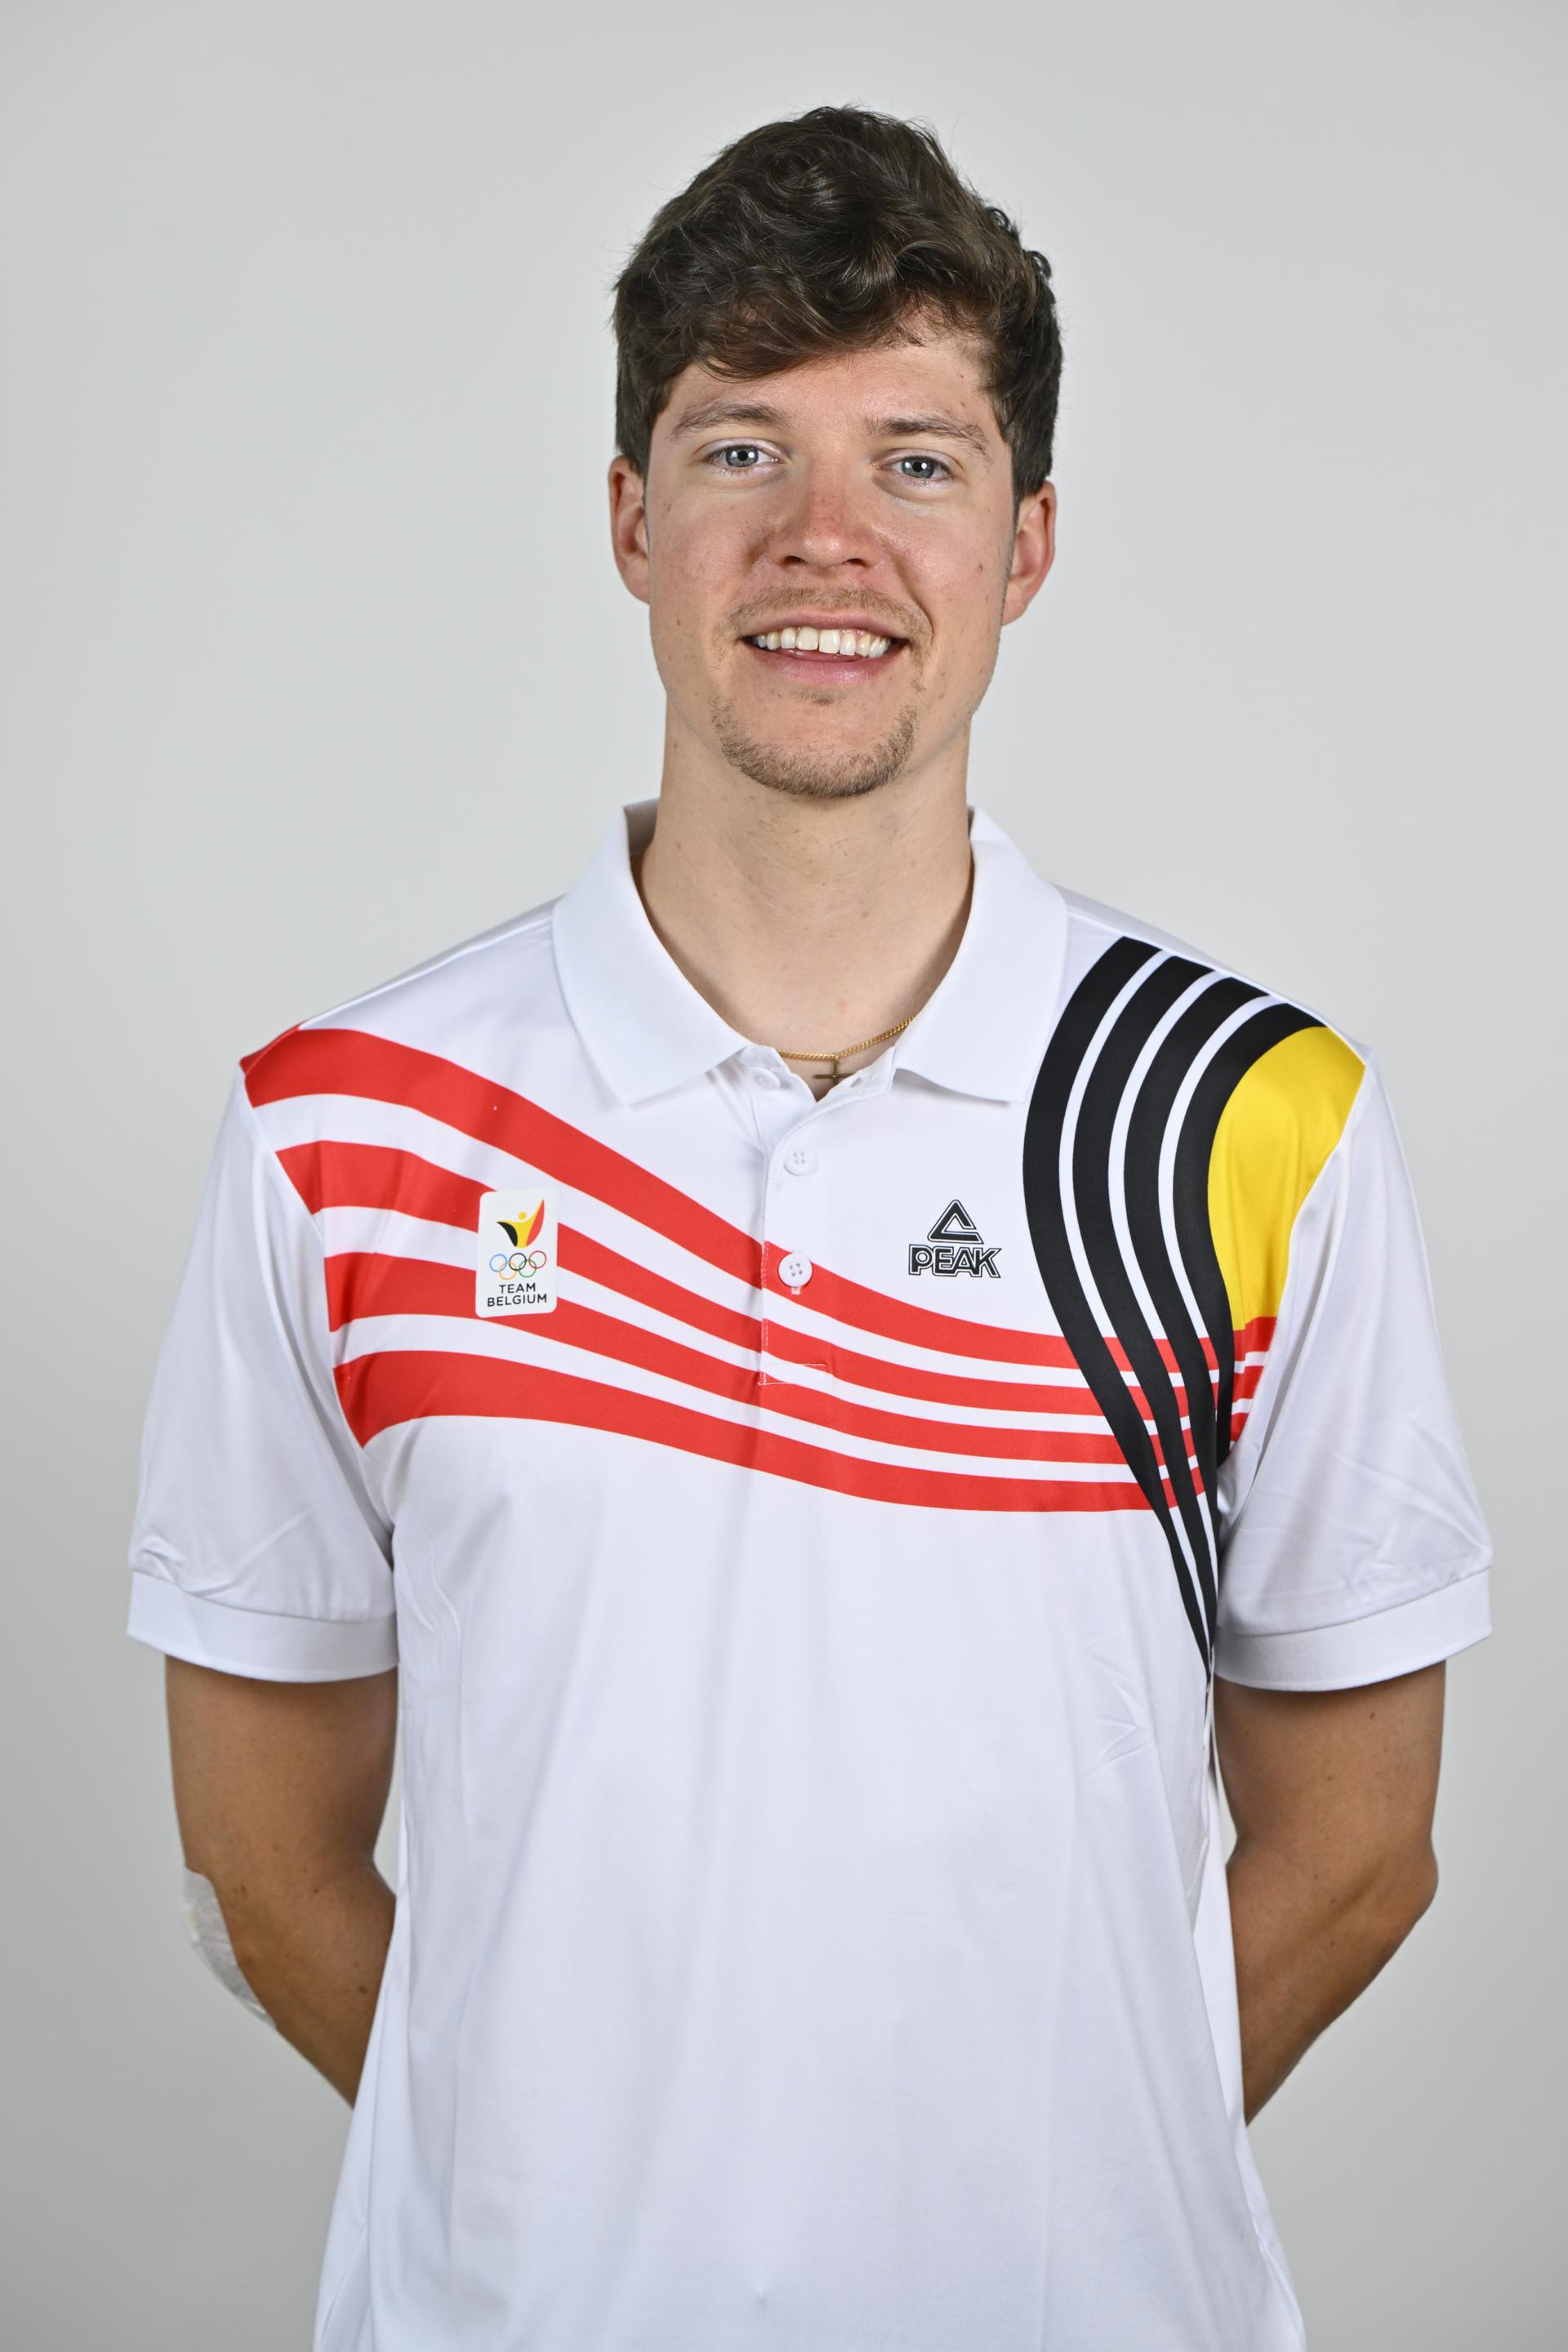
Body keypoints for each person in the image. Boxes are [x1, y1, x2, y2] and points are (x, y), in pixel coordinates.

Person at [125, 104, 1493, 2352]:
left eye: (916, 462)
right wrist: (561, 2220)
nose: (824, 540)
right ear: (630, 519)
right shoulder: (339, 1135)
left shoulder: (1255, 1127)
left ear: (1027, 544)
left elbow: (1358, 1854)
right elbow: (261, 1868)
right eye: (742, 450)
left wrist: (1037, 2211)